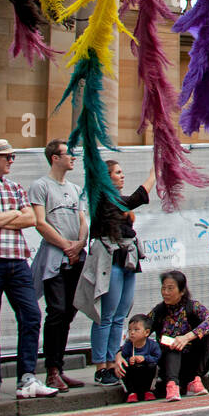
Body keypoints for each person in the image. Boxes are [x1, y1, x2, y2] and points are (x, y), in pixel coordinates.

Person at [0, 139, 57, 402]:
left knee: (31, 315)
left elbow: (30, 219)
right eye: (6, 156)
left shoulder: (16, 187)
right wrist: (12, 215)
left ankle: (27, 375)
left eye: (12, 156)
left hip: (17, 261)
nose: (11, 161)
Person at [82, 159, 154, 387]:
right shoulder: (103, 198)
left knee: (121, 312)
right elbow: (134, 200)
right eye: (118, 172)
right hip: (111, 258)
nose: (122, 176)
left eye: (122, 172)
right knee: (107, 314)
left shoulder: (116, 202)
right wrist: (154, 174)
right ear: (107, 176)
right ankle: (101, 366)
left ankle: (115, 361)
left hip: (127, 259)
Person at [27, 139, 88, 392]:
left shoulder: (75, 188)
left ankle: (59, 367)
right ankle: (51, 370)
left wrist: (80, 243)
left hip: (76, 257)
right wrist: (65, 245)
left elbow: (83, 218)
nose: (73, 157)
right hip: (55, 259)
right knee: (57, 310)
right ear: (55, 157)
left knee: (69, 312)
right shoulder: (40, 186)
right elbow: (40, 222)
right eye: (68, 153)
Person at [127, 270, 209, 401]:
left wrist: (187, 337)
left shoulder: (193, 306)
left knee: (206, 334)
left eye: (170, 288)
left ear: (182, 291)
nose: (166, 293)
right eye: (163, 288)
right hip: (169, 364)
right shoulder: (159, 311)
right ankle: (172, 384)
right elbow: (139, 330)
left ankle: (195, 380)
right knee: (170, 342)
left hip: (193, 362)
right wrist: (120, 352)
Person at [115, 314, 160, 402]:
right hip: (133, 371)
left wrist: (145, 358)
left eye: (136, 330)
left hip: (146, 371)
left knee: (153, 366)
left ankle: (149, 390)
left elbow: (157, 357)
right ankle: (131, 392)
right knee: (123, 367)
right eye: (130, 330)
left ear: (146, 332)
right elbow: (123, 357)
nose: (132, 333)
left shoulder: (152, 345)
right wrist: (128, 360)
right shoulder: (128, 346)